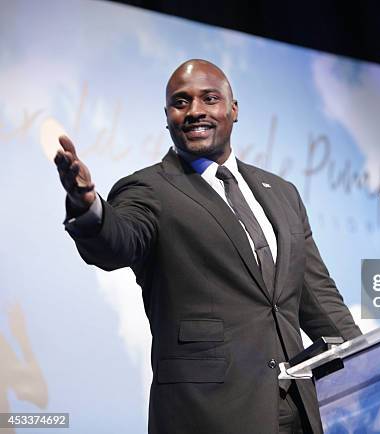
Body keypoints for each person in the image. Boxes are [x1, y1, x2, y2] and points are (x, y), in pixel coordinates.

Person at [54, 59, 361, 434]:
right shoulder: (150, 189)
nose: (194, 111)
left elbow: (318, 298)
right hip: (207, 415)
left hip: (298, 412)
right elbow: (117, 242)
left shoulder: (282, 193)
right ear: (167, 117)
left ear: (233, 109)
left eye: (209, 98)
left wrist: (371, 362)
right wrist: (88, 206)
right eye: (180, 102)